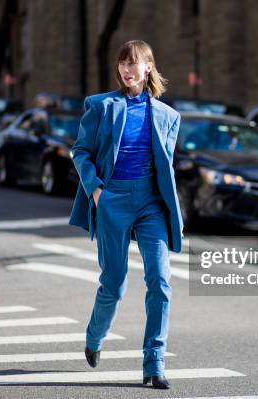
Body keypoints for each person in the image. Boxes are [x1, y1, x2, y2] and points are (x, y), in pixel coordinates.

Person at [68, 40, 183, 390]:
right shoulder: (101, 106)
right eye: (122, 63)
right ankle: (95, 335)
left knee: (160, 283)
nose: (127, 69)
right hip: (112, 199)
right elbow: (81, 152)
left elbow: (166, 166)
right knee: (114, 284)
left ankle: (154, 362)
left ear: (148, 67)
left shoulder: (168, 116)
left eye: (134, 63)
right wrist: (97, 191)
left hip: (150, 203)